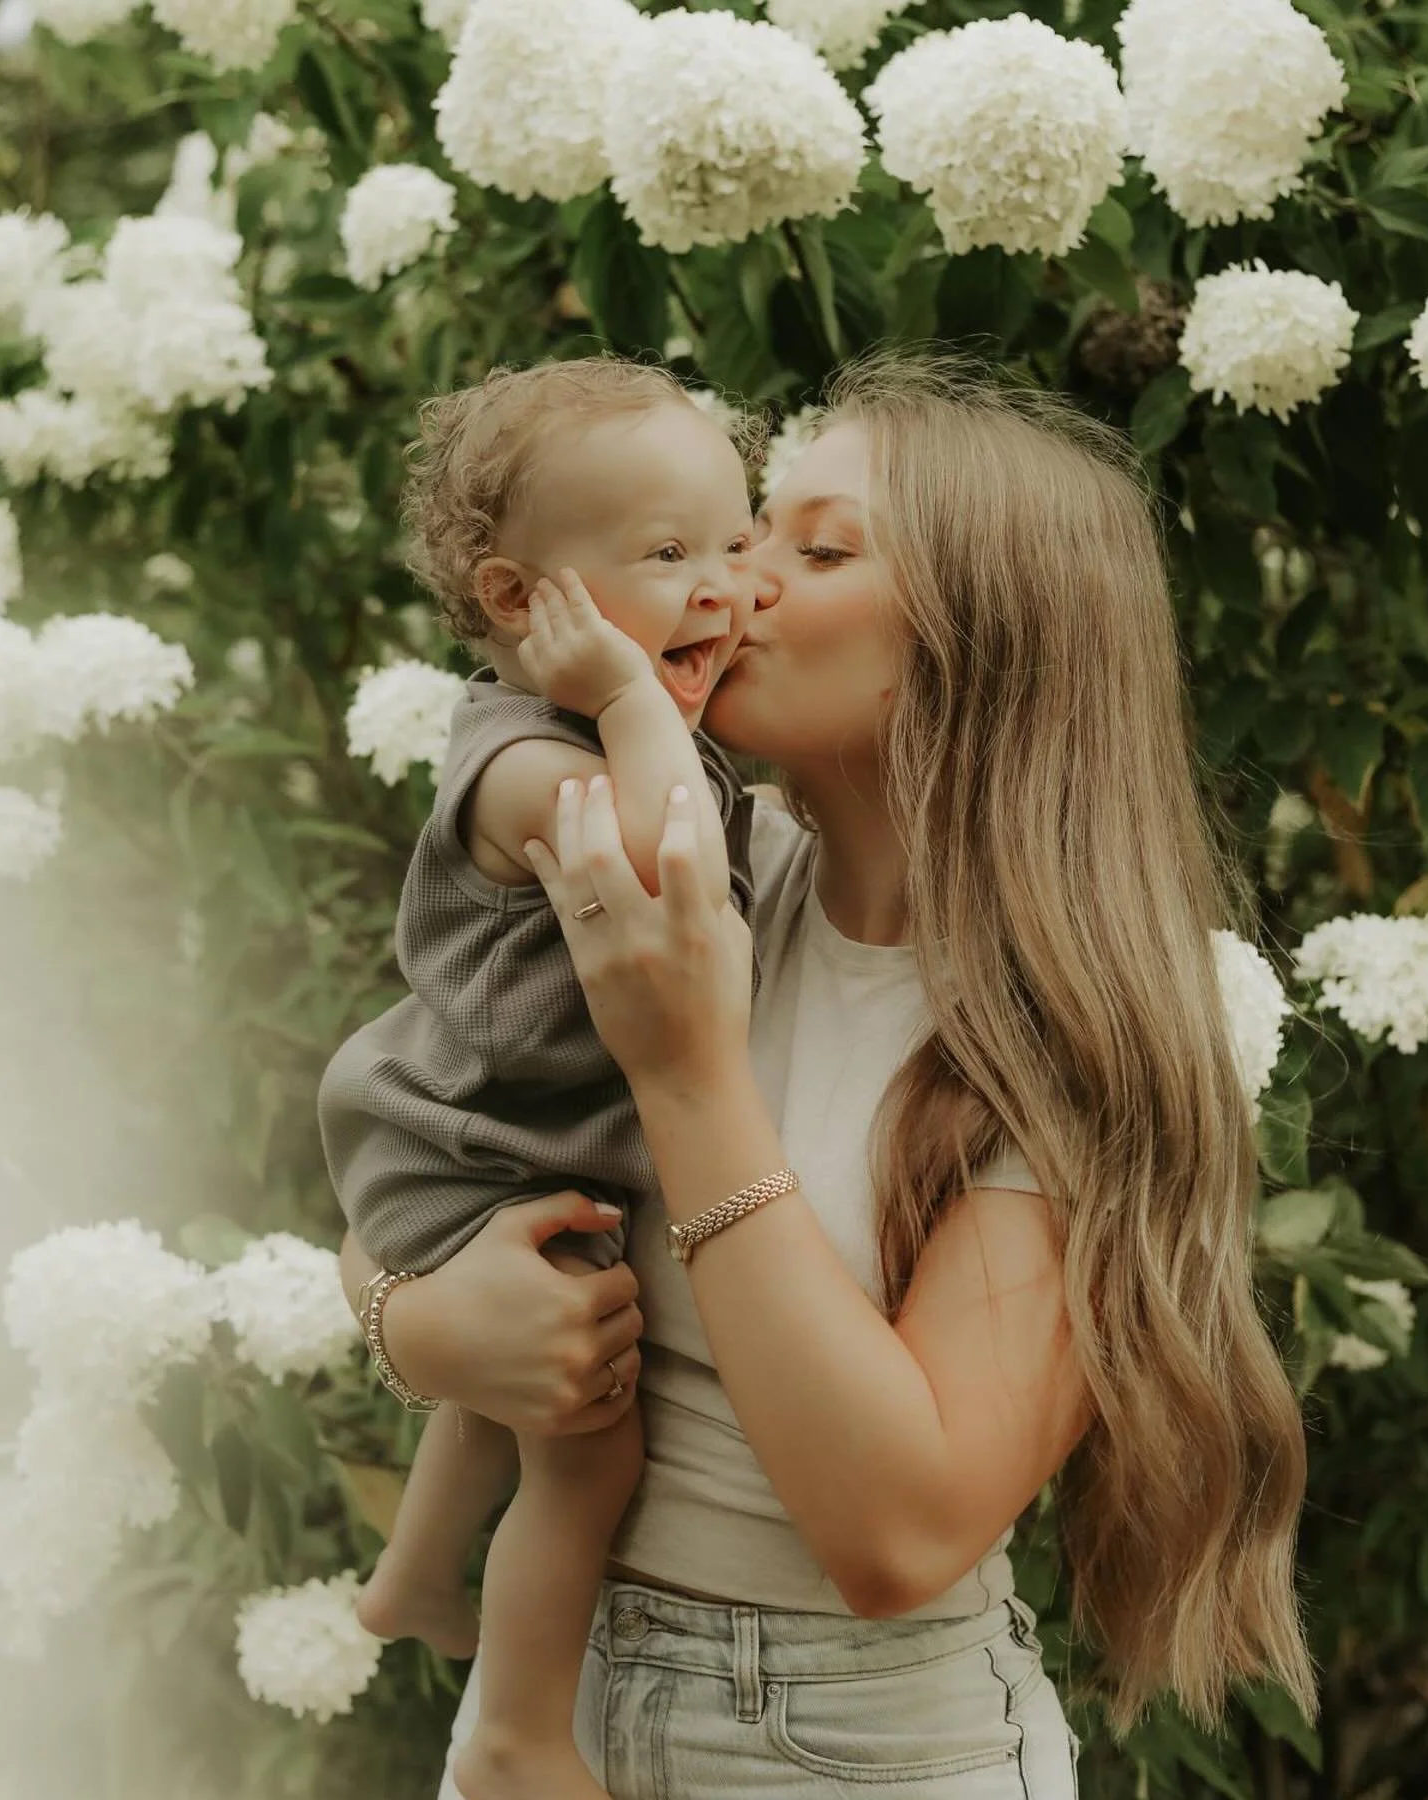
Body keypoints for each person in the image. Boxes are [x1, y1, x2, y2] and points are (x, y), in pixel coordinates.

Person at [339, 352, 1316, 1799]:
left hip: (858, 1749)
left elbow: (898, 1534)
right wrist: (412, 1320)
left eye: (814, 547)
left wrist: (686, 1073)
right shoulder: (705, 877)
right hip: (566, 1693)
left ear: (987, 634)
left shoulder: (1079, 1030)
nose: (739, 582)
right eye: (736, 539)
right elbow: (417, 1117)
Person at [318, 359, 758, 1800]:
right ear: (521, 603)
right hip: (469, 1142)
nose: (722, 588)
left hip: (493, 1139)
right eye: (668, 553)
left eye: (740, 544)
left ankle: (411, 1583)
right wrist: (634, 699)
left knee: (506, 1394)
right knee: (584, 1445)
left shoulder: (612, 736)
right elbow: (661, 865)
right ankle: (514, 1737)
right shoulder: (524, 762)